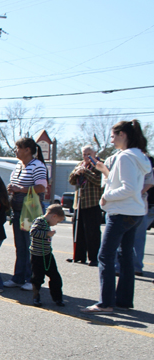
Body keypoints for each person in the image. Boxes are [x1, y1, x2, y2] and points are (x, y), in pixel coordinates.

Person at [83, 120, 151, 313]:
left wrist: (106, 197)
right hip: (135, 212)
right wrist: (105, 171)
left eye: (113, 136)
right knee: (126, 256)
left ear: (123, 135)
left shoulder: (125, 157)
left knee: (105, 255)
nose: (112, 140)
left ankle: (106, 303)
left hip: (121, 212)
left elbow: (128, 188)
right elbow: (126, 183)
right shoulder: (139, 156)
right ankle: (123, 300)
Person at [6, 138, 48, 291]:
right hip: (18, 211)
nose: (15, 151)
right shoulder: (18, 165)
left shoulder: (37, 165)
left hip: (30, 212)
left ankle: (33, 279)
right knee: (20, 246)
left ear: (27, 150)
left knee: (31, 246)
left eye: (18, 148)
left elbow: (42, 187)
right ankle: (18, 277)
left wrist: (21, 189)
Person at [67, 145, 103, 266]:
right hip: (79, 203)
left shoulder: (99, 165)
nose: (86, 157)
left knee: (92, 232)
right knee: (78, 231)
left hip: (92, 203)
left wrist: (86, 172)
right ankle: (78, 256)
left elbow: (99, 181)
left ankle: (94, 257)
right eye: (84, 154)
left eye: (88, 154)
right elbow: (71, 181)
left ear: (94, 154)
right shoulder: (80, 164)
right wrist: (76, 173)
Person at [30, 204, 66, 307]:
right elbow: (33, 232)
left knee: (55, 277)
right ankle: (36, 297)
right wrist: (47, 234)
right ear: (54, 216)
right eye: (57, 221)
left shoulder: (46, 223)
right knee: (37, 278)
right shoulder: (40, 221)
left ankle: (57, 298)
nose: (56, 224)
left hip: (47, 254)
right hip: (37, 255)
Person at [132, 153, 154, 275]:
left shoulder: (145, 162)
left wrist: (135, 194)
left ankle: (136, 266)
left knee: (138, 238)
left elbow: (149, 183)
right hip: (133, 205)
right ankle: (122, 266)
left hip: (143, 206)